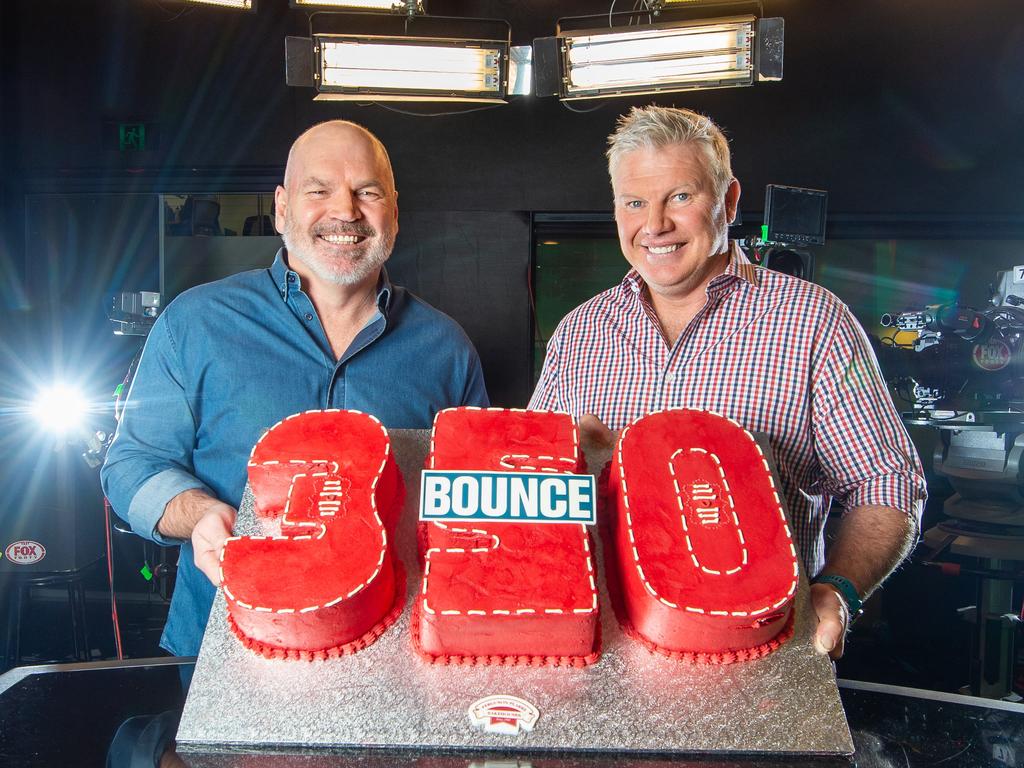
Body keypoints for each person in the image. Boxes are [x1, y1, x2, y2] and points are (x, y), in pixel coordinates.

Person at [529, 106, 927, 659]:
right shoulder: (579, 332)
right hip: (598, 650)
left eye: (680, 197)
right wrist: (571, 462)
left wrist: (838, 590)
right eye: (635, 202)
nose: (655, 225)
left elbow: (888, 481)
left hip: (756, 650)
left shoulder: (814, 323)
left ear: (730, 201)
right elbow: (529, 495)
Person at [102, 120, 489, 659]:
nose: (346, 211)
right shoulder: (195, 323)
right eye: (319, 190)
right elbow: (131, 465)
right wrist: (200, 514)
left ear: (394, 212)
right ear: (283, 208)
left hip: (394, 652)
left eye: (367, 192)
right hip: (226, 646)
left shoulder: (445, 348)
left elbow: (476, 501)